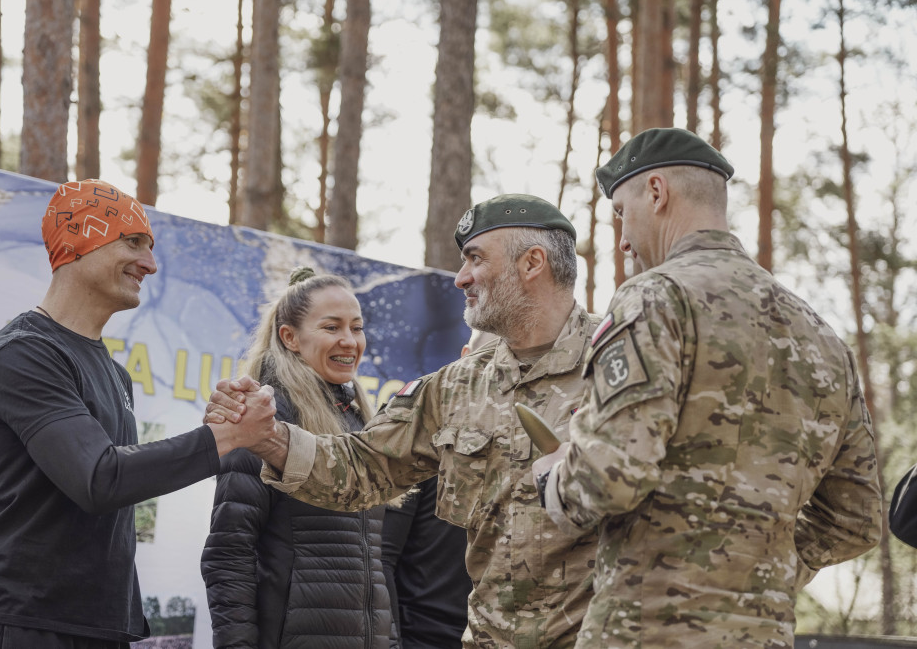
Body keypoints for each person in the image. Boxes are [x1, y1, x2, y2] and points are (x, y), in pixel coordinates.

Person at [532, 127, 883, 648]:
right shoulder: (821, 335)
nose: (623, 239)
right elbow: (856, 519)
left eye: (623, 214)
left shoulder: (655, 298)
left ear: (656, 191)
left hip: (647, 631)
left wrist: (554, 477)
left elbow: (611, 476)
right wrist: (762, 574)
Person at [208, 194, 603, 648]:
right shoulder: (455, 386)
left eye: (475, 259)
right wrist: (270, 437)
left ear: (532, 263)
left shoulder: (626, 364)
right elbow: (363, 467)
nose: (461, 278)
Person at [0, 179, 276, 649]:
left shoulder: (114, 373)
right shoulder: (23, 353)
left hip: (101, 626)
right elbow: (99, 479)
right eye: (133, 242)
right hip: (25, 625)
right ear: (77, 242)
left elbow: (122, 473)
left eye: (149, 247)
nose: (150, 264)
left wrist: (219, 427)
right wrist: (222, 439)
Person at [201, 267, 396, 649]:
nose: (349, 341)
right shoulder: (262, 416)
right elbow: (228, 552)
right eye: (332, 327)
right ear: (289, 337)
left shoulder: (360, 419)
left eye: (357, 328)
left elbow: (375, 565)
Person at [380, 332, 493, 649]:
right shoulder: (422, 434)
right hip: (423, 639)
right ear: (464, 355)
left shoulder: (534, 443)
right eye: (490, 356)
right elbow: (381, 558)